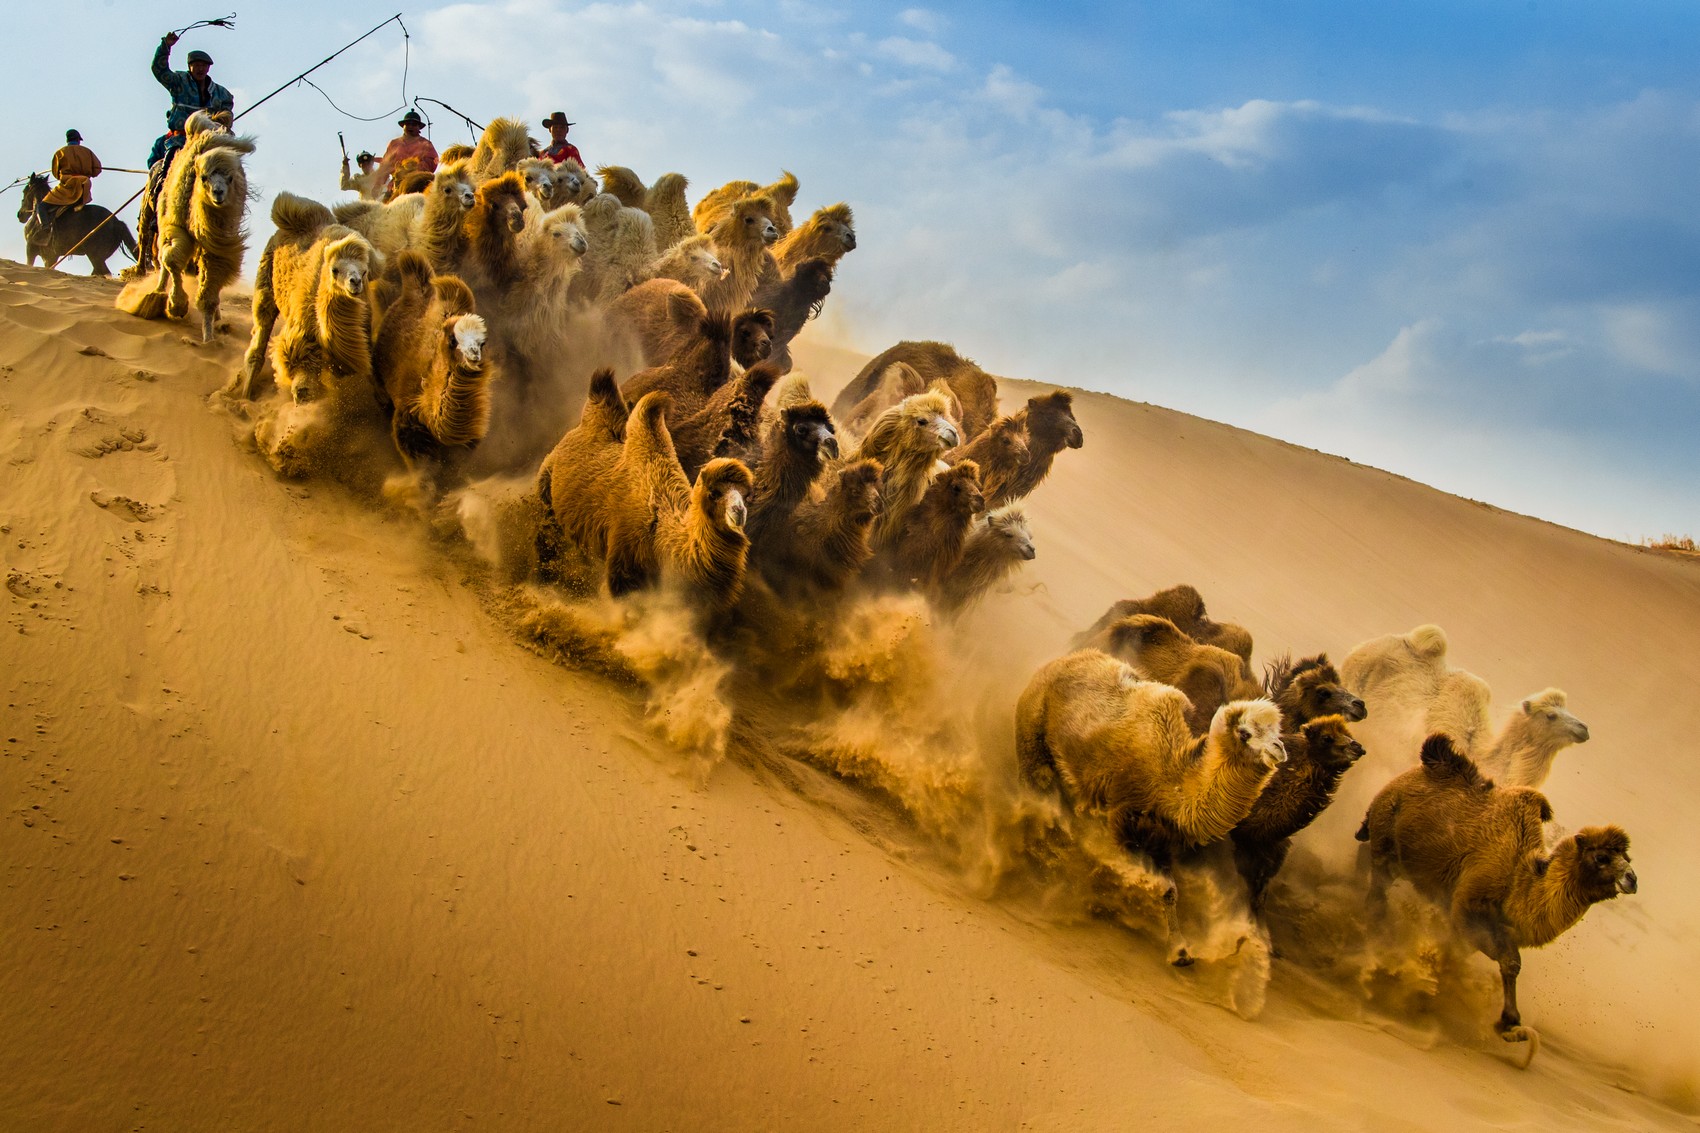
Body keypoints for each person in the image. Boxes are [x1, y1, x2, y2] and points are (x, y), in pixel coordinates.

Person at [149, 32, 235, 169]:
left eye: (204, 65)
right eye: (197, 65)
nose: (200, 68)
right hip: (181, 141)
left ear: (208, 68)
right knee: (168, 165)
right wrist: (165, 46)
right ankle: (160, 183)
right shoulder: (178, 82)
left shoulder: (222, 93)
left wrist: (222, 121)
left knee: (231, 167)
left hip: (210, 141)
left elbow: (227, 113)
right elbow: (160, 71)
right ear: (190, 66)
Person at [375, 110, 439, 199]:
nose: (410, 126)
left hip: (419, 185)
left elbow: (434, 161)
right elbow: (385, 166)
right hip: (396, 186)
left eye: (414, 124)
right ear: (403, 126)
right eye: (408, 124)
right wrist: (377, 185)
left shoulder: (426, 144)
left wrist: (415, 168)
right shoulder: (394, 144)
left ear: (419, 127)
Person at [44, 129, 103, 210]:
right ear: (78, 140)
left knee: (42, 206)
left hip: (66, 188)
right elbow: (97, 170)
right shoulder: (87, 152)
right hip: (84, 187)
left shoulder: (60, 152)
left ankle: (46, 223)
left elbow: (55, 173)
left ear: (67, 140)